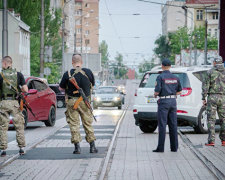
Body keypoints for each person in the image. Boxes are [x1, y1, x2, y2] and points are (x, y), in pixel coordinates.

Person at [59, 53, 98, 154]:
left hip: (72, 102)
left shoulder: (67, 73)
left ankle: (77, 148)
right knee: (87, 123)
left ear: (72, 62)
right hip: (85, 102)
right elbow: (92, 84)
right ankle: (92, 147)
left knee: (74, 124)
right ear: (82, 62)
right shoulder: (88, 72)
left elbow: (61, 87)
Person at [0, 56, 28, 156]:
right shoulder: (18, 74)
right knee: (19, 125)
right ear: (11, 63)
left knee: (3, 126)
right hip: (15, 103)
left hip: (3, 103)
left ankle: (3, 150)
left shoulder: (1, 75)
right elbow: (26, 90)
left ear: (4, 63)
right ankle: (21, 148)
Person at [153, 59, 182, 152]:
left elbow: (157, 91)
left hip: (163, 102)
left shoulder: (160, 77)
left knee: (162, 125)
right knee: (173, 125)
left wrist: (155, 94)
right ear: (170, 66)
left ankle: (160, 148)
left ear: (162, 66)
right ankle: (174, 147)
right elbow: (179, 91)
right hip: (173, 102)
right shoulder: (175, 77)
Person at [202, 56, 225, 147]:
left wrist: (203, 97)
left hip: (212, 97)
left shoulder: (209, 72)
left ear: (215, 63)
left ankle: (211, 141)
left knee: (211, 119)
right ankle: (224, 140)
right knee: (224, 119)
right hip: (223, 98)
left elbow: (205, 86)